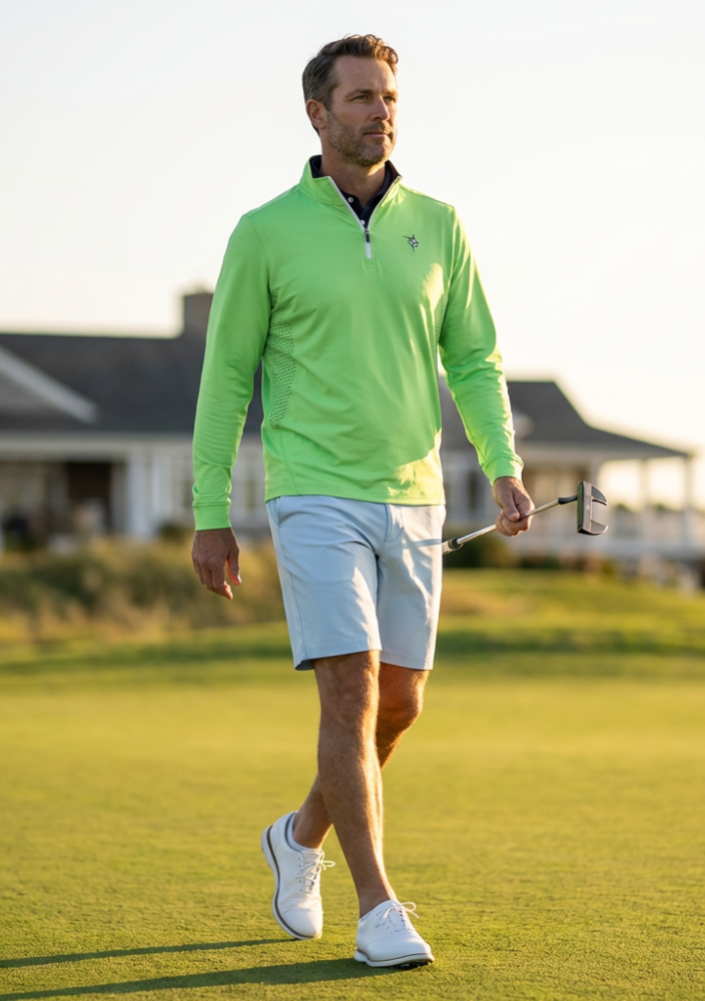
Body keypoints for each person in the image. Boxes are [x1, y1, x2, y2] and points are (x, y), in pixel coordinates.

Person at [191, 34, 533, 969]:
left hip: (414, 494)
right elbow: (226, 378)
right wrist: (209, 509)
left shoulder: (440, 222)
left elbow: (472, 355)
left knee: (400, 703)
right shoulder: (264, 231)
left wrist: (499, 463)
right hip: (311, 493)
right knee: (348, 690)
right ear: (316, 112)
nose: (378, 111)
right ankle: (377, 906)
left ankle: (299, 835)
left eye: (387, 97)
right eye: (358, 98)